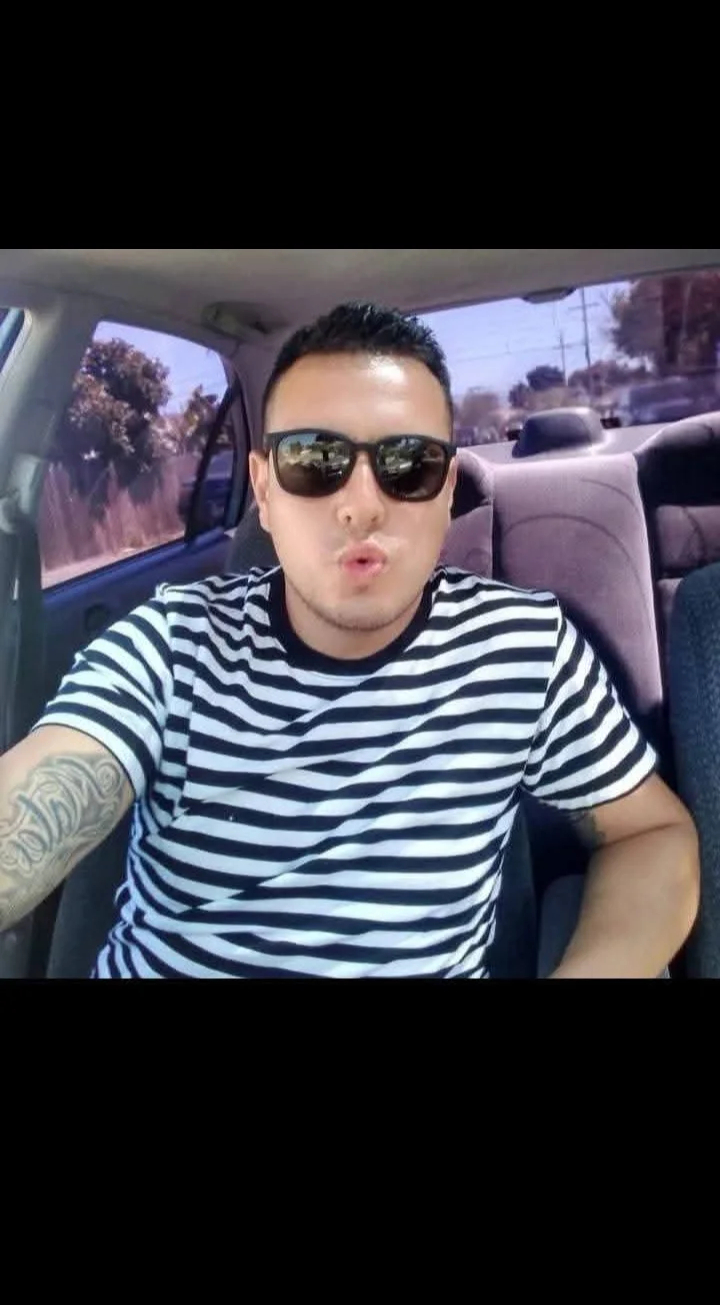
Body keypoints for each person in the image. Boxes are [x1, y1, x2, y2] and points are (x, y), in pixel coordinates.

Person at [0, 302, 699, 977]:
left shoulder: (526, 650)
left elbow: (649, 833)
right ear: (264, 490)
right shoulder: (172, 645)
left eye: (409, 464)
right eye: (314, 459)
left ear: (445, 490)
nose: (362, 505)